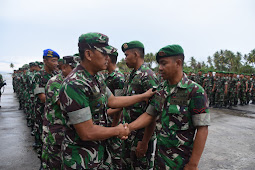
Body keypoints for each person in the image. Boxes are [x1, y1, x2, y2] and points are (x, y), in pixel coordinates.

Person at [59, 32, 155, 169]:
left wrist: (143, 96)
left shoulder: (95, 78)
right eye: (104, 53)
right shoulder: (75, 84)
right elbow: (87, 132)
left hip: (98, 154)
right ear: (88, 54)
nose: (107, 58)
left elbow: (113, 100)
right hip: (80, 159)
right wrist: (118, 130)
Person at [127, 44, 210, 169]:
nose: (160, 68)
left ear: (178, 63)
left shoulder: (195, 92)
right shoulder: (160, 89)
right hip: (159, 160)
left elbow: (202, 129)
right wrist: (128, 128)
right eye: (159, 64)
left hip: (180, 163)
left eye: (164, 64)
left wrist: (193, 164)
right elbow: (150, 115)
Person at [121, 40, 159, 169]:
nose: (125, 59)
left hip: (140, 137)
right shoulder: (131, 76)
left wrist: (145, 142)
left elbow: (152, 113)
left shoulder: (148, 76)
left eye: (127, 55)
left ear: (136, 54)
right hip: (129, 134)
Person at [41, 56, 78, 169]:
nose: (76, 72)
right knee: (52, 163)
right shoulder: (55, 82)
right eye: (73, 69)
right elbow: (64, 104)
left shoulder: (72, 81)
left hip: (66, 131)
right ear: (64, 68)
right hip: (54, 131)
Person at [33, 49, 60, 165]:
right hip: (42, 112)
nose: (56, 63)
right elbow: (42, 97)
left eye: (57, 61)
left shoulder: (56, 75)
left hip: (54, 114)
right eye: (53, 61)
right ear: (45, 61)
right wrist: (59, 100)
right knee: (43, 141)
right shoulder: (39, 76)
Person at [104, 47, 125, 169]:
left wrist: (114, 126)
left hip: (114, 123)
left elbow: (119, 105)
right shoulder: (108, 76)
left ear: (108, 59)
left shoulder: (118, 78)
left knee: (116, 158)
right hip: (108, 123)